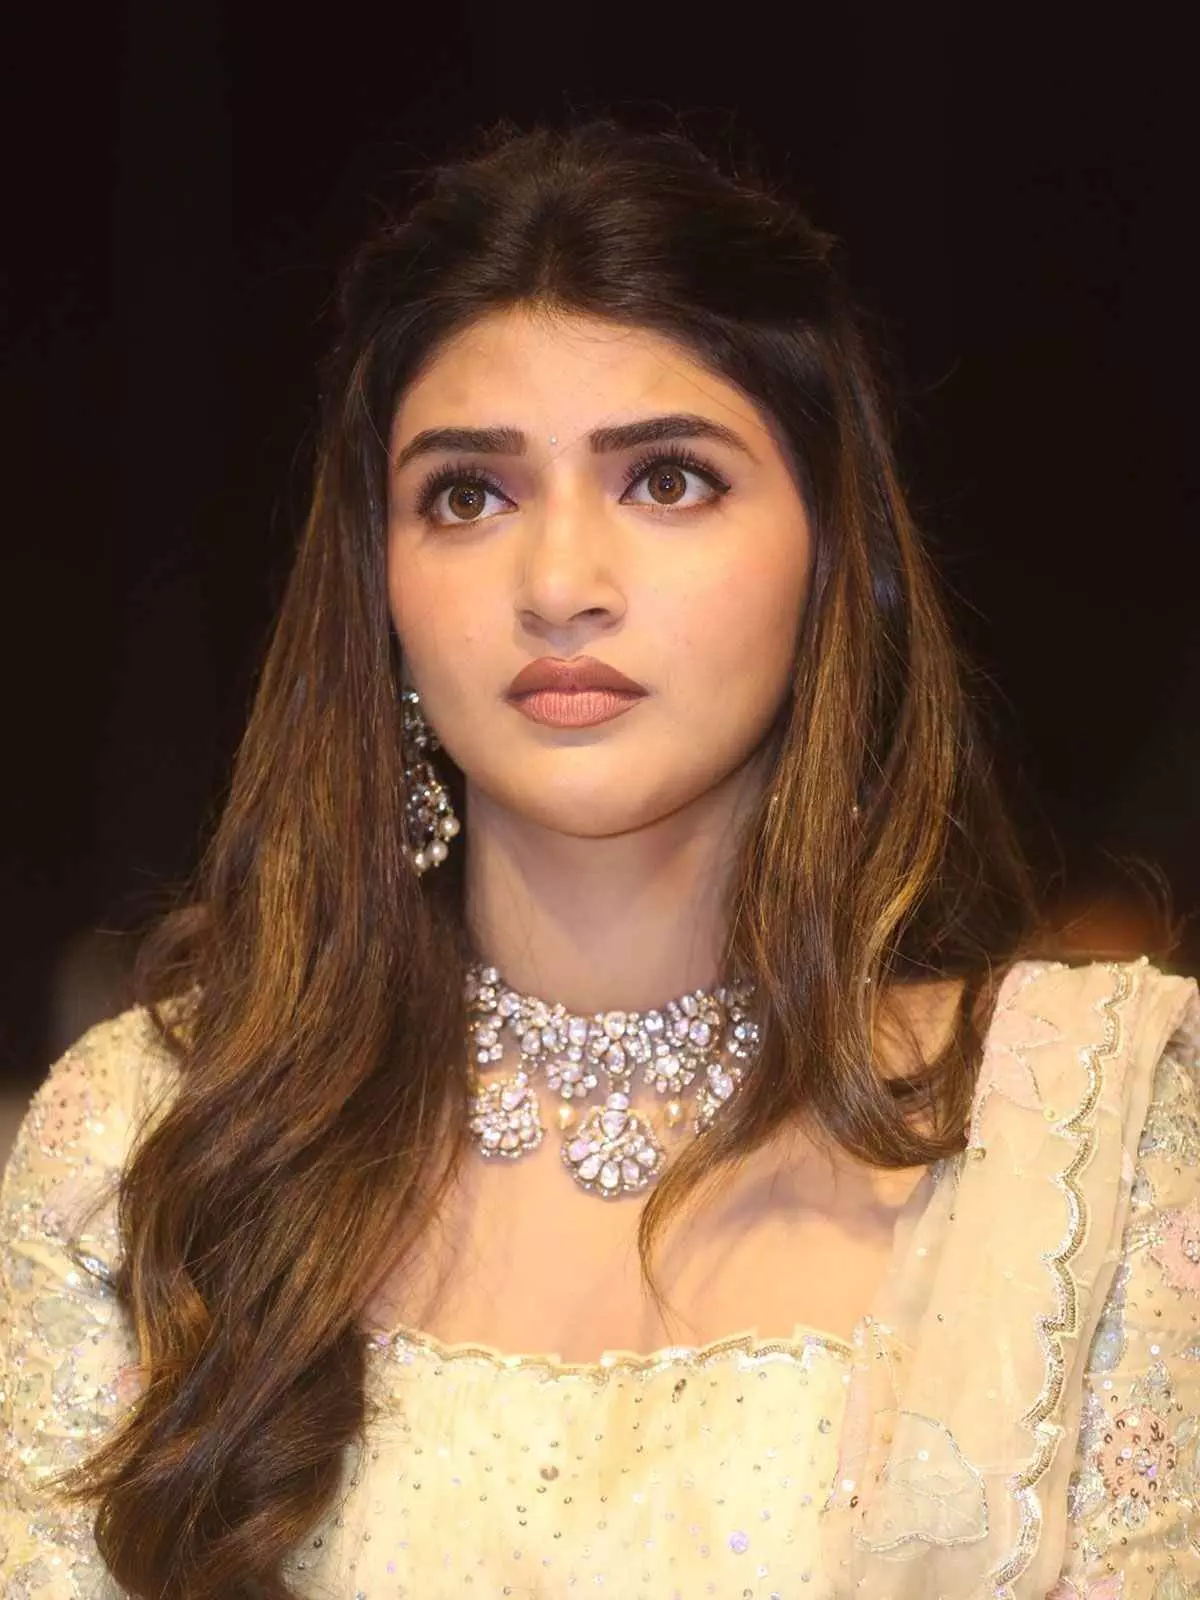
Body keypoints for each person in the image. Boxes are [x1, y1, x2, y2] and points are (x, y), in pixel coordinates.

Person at [1, 116, 1196, 1600]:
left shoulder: (1078, 1132)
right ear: (377, 586)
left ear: (838, 557)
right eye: (469, 494)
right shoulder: (151, 1139)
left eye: (668, 479)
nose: (560, 583)